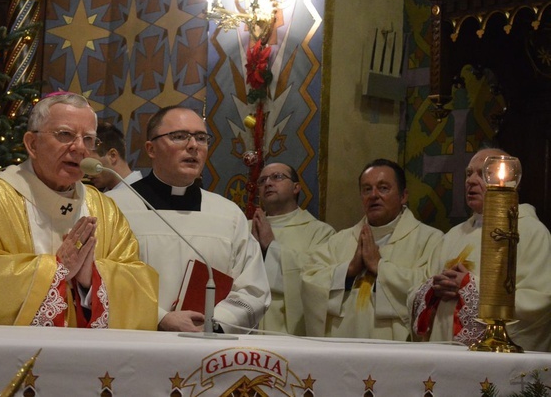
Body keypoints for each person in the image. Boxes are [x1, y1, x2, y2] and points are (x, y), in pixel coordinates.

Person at [0, 93, 158, 330]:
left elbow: (137, 282)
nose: (79, 148)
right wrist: (56, 270)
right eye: (65, 135)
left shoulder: (105, 210)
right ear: (32, 144)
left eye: (89, 139)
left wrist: (90, 278)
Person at [108, 106, 270, 334]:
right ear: (151, 149)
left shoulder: (228, 215)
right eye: (179, 136)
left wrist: (212, 322)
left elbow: (253, 289)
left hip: (205, 351)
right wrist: (160, 317)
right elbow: (100, 280)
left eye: (201, 138)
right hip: (134, 346)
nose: (193, 145)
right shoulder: (113, 208)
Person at [410, 148, 551, 351]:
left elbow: (540, 302)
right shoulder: (453, 236)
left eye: (484, 173)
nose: (471, 181)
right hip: (441, 357)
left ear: (509, 180)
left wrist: (470, 288)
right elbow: (418, 287)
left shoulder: (531, 232)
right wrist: (433, 289)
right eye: (469, 174)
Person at [300, 159, 442, 340]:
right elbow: (309, 278)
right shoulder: (340, 240)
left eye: (383, 188)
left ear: (403, 195)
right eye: (367, 189)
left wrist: (380, 267)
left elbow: (430, 290)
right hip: (344, 346)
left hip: (395, 351)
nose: (373, 195)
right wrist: (348, 271)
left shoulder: (430, 240)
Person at [252, 162, 335, 335]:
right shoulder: (245, 228)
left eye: (277, 177)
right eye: (262, 180)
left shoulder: (320, 232)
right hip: (246, 330)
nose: (268, 183)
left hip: (291, 333)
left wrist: (271, 247)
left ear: (296, 187)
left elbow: (319, 282)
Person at [87, 122, 142, 191]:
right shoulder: (105, 194)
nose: (89, 176)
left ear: (112, 156)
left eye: (91, 164)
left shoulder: (142, 194)